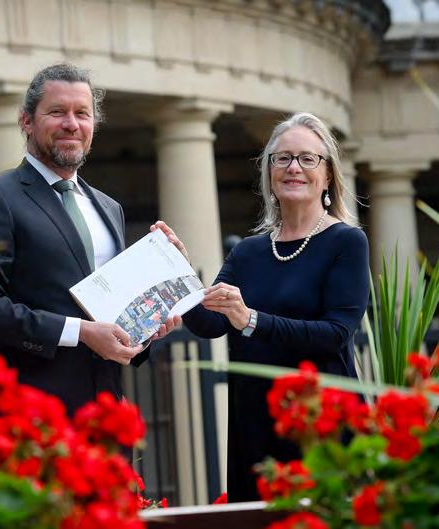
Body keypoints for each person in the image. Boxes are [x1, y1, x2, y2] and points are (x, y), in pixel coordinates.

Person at [0, 63, 179, 443]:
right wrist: (81, 333)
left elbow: (111, 313)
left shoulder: (109, 208)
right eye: (57, 112)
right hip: (24, 429)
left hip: (102, 422)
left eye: (82, 114)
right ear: (26, 120)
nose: (71, 124)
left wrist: (148, 326)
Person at [153, 112, 370, 502]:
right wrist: (178, 268)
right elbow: (209, 324)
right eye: (282, 158)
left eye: (307, 158)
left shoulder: (346, 242)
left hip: (317, 421)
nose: (293, 167)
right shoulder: (248, 251)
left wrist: (251, 319)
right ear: (269, 171)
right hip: (254, 423)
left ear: (327, 176)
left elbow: (336, 334)